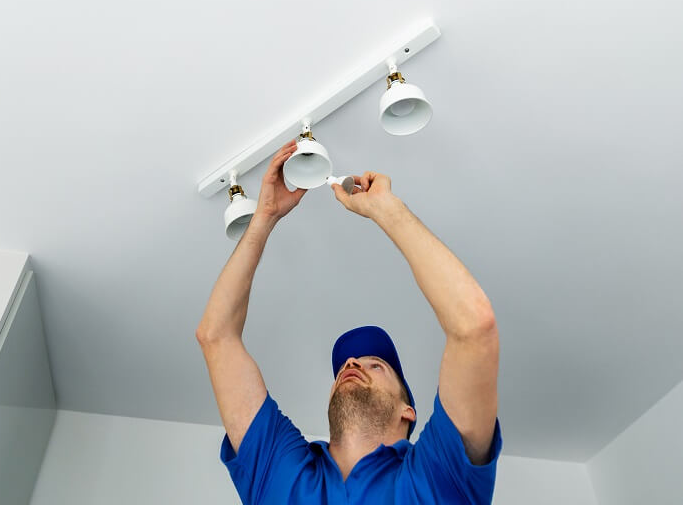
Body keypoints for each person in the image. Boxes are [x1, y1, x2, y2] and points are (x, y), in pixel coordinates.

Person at [195, 139, 503, 504]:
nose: (353, 363)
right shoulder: (281, 471)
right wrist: (264, 218)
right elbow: (215, 336)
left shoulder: (438, 477)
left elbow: (473, 326)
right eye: (348, 365)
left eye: (376, 365)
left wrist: (387, 210)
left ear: (409, 412)